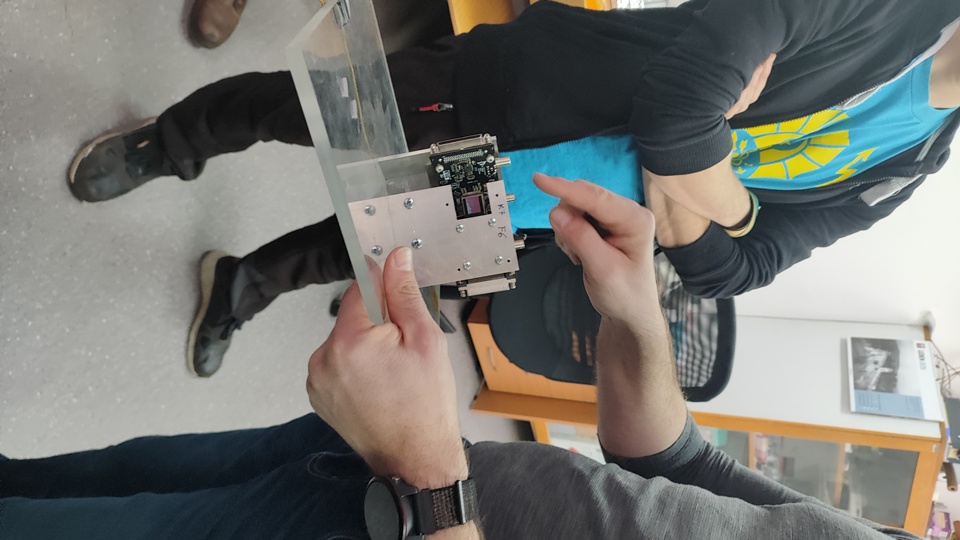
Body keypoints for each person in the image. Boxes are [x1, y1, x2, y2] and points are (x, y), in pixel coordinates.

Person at [69, 0, 960, 376]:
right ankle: (169, 142)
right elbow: (677, 107)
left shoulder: (917, 161)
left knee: (378, 247)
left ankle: (245, 285)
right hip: (521, 98)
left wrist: (712, 184)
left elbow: (735, 271)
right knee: (305, 112)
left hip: (544, 210)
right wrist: (707, 190)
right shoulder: (894, 14)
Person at [0, 177, 923, 539]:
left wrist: (430, 486)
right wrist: (638, 317)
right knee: (111, 476)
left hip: (416, 487)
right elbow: (680, 469)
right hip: (392, 462)